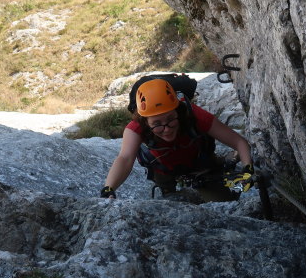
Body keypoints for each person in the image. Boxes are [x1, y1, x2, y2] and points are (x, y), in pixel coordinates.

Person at [100, 78, 254, 202]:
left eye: (170, 120)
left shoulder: (193, 115)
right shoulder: (136, 128)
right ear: (144, 121)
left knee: (223, 202)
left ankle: (223, 162)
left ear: (177, 112)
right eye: (157, 124)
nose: (166, 129)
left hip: (200, 166)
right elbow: (125, 158)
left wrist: (248, 169)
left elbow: (239, 142)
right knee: (171, 200)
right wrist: (109, 189)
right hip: (164, 172)